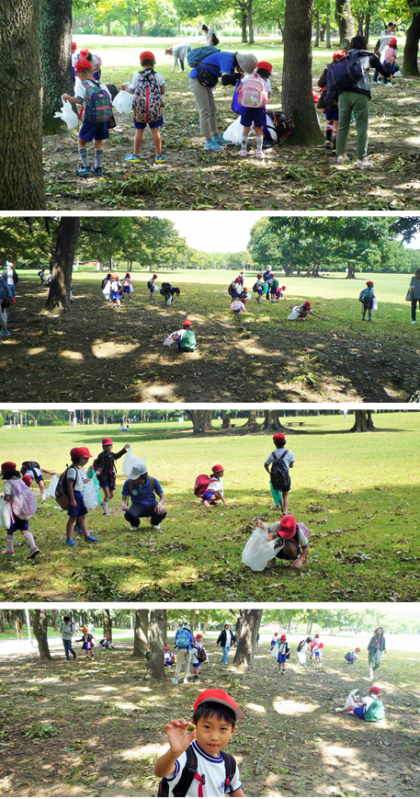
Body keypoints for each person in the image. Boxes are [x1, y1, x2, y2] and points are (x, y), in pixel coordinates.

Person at [154, 689, 245, 797]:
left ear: (232, 732)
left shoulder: (229, 763)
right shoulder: (185, 756)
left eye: (223, 729)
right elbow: (160, 772)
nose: (214, 737)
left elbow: (234, 789)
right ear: (195, 726)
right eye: (207, 727)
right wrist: (173, 753)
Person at [335, 36, 388, 169]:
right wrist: (387, 64)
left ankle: (341, 155)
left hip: (343, 94)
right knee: (362, 127)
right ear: (365, 44)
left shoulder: (344, 56)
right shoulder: (368, 55)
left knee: (343, 125)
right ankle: (361, 159)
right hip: (361, 93)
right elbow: (384, 72)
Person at [189, 51, 258, 152]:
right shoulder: (228, 58)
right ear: (241, 64)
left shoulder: (232, 63)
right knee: (205, 110)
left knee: (212, 109)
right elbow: (225, 81)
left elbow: (231, 80)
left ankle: (216, 137)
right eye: (244, 69)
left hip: (205, 81)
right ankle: (208, 142)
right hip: (197, 80)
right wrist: (238, 76)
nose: (243, 71)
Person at [62, 58, 113, 177]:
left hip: (91, 119)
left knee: (81, 141)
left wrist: (67, 97)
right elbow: (109, 99)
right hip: (103, 119)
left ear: (81, 74)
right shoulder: (101, 84)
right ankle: (98, 168)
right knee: (98, 141)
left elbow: (79, 100)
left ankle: (85, 167)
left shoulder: (82, 85)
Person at [122, 51, 167, 164]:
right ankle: (159, 155)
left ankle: (136, 155)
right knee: (155, 131)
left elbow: (132, 90)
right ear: (154, 62)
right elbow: (162, 91)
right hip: (154, 109)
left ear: (141, 63)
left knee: (139, 131)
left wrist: (125, 88)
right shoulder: (158, 76)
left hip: (139, 110)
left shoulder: (137, 75)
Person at [1, 461, 39, 558]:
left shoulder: (8, 483)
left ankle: (10, 550)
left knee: (10, 530)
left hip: (14, 512)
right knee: (24, 530)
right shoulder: (21, 481)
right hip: (24, 510)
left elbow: (7, 498)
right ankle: (34, 547)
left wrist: (2, 497)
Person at [66, 448, 100, 547]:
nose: (87, 461)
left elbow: (78, 481)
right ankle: (69, 539)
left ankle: (87, 536)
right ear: (81, 459)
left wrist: (86, 481)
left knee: (82, 516)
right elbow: (70, 485)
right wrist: (73, 499)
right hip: (75, 495)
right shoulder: (72, 470)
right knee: (72, 518)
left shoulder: (79, 469)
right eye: (86, 459)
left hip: (80, 494)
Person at [121, 459, 167, 531]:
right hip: (137, 506)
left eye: (135, 477)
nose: (132, 479)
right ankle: (135, 524)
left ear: (142, 477)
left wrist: (160, 504)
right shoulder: (128, 483)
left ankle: (155, 522)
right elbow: (123, 499)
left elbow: (163, 496)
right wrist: (124, 505)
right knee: (128, 514)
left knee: (162, 512)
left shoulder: (153, 481)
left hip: (151, 505)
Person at [238, 61, 272, 158]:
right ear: (268, 72)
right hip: (259, 108)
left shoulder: (247, 77)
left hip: (246, 107)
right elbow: (268, 97)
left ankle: (243, 150)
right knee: (259, 128)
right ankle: (259, 152)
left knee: (246, 127)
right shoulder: (266, 81)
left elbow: (238, 90)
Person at [318, 50, 346, 150]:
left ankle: (327, 140)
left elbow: (320, 83)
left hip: (327, 100)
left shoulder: (328, 69)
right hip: (338, 100)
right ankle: (335, 146)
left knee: (329, 121)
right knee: (337, 124)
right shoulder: (344, 71)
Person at [95, 438, 130, 516]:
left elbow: (117, 455)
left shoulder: (111, 454)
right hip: (103, 478)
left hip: (111, 477)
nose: (109, 447)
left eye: (110, 445)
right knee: (107, 495)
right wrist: (98, 471)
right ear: (103, 447)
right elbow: (100, 465)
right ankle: (105, 511)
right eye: (107, 446)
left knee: (112, 495)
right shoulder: (101, 455)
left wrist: (124, 449)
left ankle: (104, 503)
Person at [264, 432, 294, 513]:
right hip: (286, 477)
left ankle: (281, 506)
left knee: (279, 492)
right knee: (286, 494)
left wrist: (270, 473)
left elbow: (266, 464)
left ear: (275, 443)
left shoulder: (273, 454)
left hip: (275, 477)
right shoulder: (289, 453)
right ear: (285, 442)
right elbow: (291, 465)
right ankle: (285, 511)